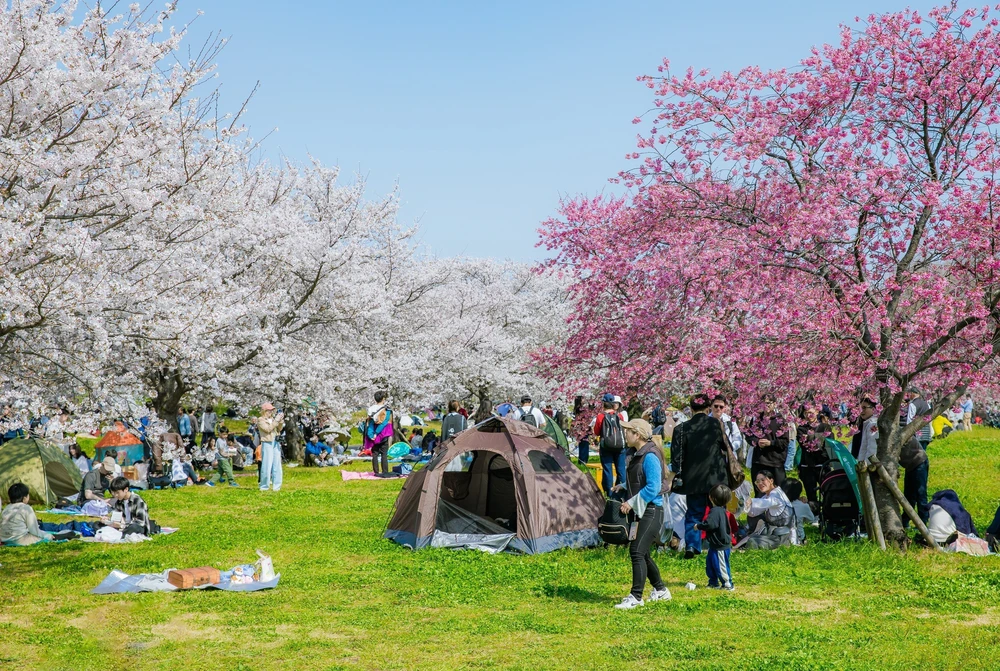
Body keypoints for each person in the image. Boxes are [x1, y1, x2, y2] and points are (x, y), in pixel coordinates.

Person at [612, 419, 671, 609]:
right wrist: (623, 486)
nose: (625, 434)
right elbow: (641, 479)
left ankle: (636, 597)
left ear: (637, 434)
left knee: (636, 551)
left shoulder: (650, 456)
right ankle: (661, 590)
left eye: (628, 431)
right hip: (642, 511)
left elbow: (653, 487)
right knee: (642, 552)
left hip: (651, 511)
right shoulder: (637, 454)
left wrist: (630, 502)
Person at [670, 392, 729, 559]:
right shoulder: (715, 424)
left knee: (694, 513)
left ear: (691, 408)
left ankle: (692, 545)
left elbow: (676, 459)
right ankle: (720, 543)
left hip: (693, 479)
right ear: (708, 407)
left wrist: (671, 478)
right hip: (715, 477)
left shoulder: (681, 429)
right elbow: (726, 446)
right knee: (718, 511)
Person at [744, 394, 790, 495]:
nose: (766, 406)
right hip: (759, 461)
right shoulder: (756, 420)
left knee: (779, 492)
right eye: (763, 403)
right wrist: (757, 442)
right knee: (760, 493)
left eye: (769, 403)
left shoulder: (780, 421)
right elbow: (748, 436)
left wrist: (771, 443)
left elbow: (785, 441)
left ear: (774, 404)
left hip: (776, 461)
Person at [695, 484, 735, 590]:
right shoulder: (721, 510)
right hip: (715, 545)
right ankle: (713, 582)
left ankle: (727, 584)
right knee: (711, 564)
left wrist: (698, 526)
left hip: (720, 546)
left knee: (720, 565)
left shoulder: (715, 511)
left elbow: (710, 524)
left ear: (711, 497)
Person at [743, 469, 796, 549]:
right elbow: (754, 512)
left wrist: (751, 501)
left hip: (784, 538)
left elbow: (768, 502)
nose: (760, 483)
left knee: (753, 541)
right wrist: (743, 506)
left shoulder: (777, 495)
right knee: (752, 519)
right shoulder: (768, 496)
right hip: (773, 535)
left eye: (763, 480)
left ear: (771, 480)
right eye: (757, 481)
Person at [593, 393, 627, 496]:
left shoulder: (601, 416)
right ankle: (621, 491)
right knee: (621, 469)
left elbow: (597, 432)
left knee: (608, 469)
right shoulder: (619, 416)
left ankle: (609, 492)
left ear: (603, 403)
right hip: (620, 446)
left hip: (606, 446)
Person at [796, 406, 831, 504]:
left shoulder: (825, 426)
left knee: (827, 492)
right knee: (810, 494)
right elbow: (803, 444)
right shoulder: (802, 428)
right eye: (806, 413)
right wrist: (818, 438)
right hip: (807, 465)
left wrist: (809, 437)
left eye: (811, 413)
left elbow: (827, 443)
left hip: (822, 464)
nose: (808, 415)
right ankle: (813, 511)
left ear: (817, 412)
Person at [363, 392, 394, 475]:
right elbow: (384, 422)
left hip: (373, 432)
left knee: (375, 453)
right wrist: (377, 433)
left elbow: (370, 423)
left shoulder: (371, 409)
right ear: (383, 399)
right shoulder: (387, 409)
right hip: (383, 433)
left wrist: (371, 434)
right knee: (384, 453)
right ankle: (385, 472)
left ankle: (376, 472)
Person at [257, 402, 285, 491]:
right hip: (267, 442)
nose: (271, 412)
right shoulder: (260, 420)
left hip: (275, 442)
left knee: (277, 464)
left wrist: (280, 421)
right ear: (264, 411)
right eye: (269, 410)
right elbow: (268, 429)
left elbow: (279, 429)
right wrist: (276, 421)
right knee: (267, 464)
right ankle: (264, 486)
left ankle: (277, 486)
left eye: (272, 410)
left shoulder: (273, 419)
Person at [710, 396, 745, 463]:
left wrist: (730, 448)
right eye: (716, 406)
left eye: (721, 407)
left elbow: (738, 439)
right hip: (710, 458)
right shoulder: (704, 421)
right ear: (711, 406)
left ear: (724, 408)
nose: (718, 409)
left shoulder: (730, 421)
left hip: (728, 459)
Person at [781, 478, 815, 544]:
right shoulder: (803, 505)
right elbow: (811, 519)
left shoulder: (777, 504)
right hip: (798, 539)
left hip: (781, 538)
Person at [852, 398, 879, 462]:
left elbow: (872, 448)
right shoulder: (865, 423)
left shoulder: (873, 424)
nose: (861, 411)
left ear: (873, 409)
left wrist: (867, 464)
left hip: (868, 464)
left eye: (864, 408)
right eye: (860, 408)